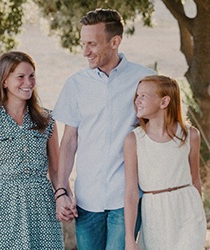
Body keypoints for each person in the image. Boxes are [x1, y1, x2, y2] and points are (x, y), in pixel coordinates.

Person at [53, 8, 156, 249]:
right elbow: (68, 142)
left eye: (92, 44)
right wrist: (60, 191)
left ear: (115, 41)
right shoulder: (76, 84)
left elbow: (159, 135)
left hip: (127, 197)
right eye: (83, 43)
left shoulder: (145, 80)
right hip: (87, 199)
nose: (85, 51)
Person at [0, 51, 64, 249]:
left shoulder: (46, 120)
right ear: (4, 81)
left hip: (42, 205)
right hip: (4, 206)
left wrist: (63, 196)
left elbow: (56, 170)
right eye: (20, 77)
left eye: (31, 76)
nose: (28, 82)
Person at [124, 75, 207, 249]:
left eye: (143, 96)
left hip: (188, 211)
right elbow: (131, 191)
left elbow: (195, 179)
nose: (137, 101)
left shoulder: (190, 135)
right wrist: (129, 238)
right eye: (137, 96)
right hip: (155, 213)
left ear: (164, 102)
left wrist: (199, 212)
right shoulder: (134, 140)